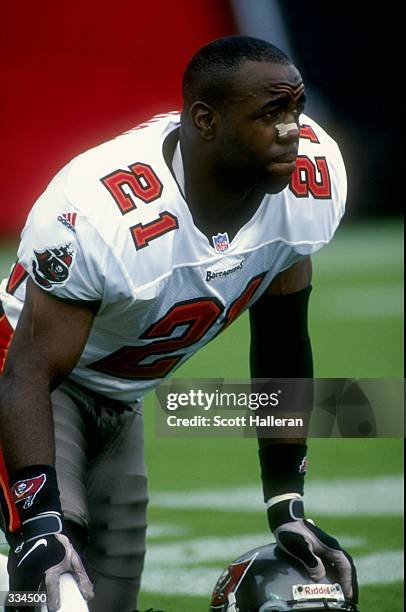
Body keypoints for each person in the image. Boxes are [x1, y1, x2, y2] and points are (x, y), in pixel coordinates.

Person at [0, 35, 358, 612]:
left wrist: (286, 503)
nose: (292, 128)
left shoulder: (309, 183)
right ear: (205, 120)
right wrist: (38, 521)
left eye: (296, 107)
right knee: (55, 590)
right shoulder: (101, 211)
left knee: (106, 601)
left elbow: (283, 343)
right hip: (38, 381)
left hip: (124, 396)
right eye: (271, 112)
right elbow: (27, 371)